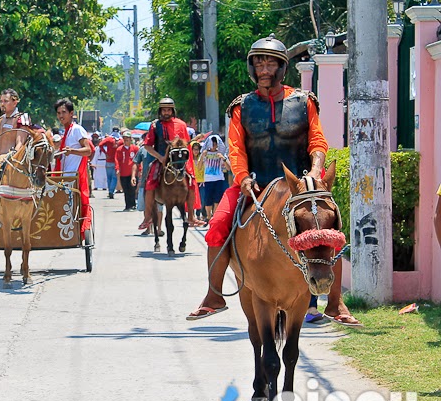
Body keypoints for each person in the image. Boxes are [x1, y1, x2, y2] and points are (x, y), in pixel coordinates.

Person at [187, 34, 358, 326]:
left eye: (270, 63)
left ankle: (335, 302)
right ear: (251, 68)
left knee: (330, 227)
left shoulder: (304, 102)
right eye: (259, 63)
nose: (264, 69)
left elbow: (318, 141)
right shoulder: (242, 107)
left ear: (282, 67)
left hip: (300, 187)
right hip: (255, 184)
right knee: (217, 225)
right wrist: (241, 178)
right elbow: (237, 148)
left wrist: (316, 171)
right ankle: (214, 295)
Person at [141, 97, 204, 230]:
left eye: (168, 110)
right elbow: (147, 146)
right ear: (160, 111)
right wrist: (160, 157)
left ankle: (191, 216)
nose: (166, 112)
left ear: (172, 111)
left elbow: (186, 144)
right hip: (161, 160)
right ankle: (148, 217)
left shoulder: (181, 124)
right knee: (150, 183)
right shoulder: (155, 125)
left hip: (178, 161)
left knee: (191, 181)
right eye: (164, 110)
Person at [55, 98, 93, 236]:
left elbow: (88, 150)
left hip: (75, 178)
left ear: (71, 113)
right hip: (66, 178)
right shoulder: (65, 132)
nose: (61, 116)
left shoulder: (77, 129)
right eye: (58, 113)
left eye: (64, 112)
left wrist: (72, 151)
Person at [199, 134, 230, 221]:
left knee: (217, 199)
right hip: (208, 179)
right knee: (208, 200)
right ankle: (209, 217)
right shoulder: (205, 153)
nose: (213, 146)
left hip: (219, 179)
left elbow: (228, 168)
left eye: (215, 144)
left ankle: (215, 217)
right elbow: (199, 167)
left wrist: (223, 158)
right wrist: (202, 156)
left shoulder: (221, 154)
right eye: (212, 144)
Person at [0, 89, 30, 157]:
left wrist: (9, 160)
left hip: (11, 163)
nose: (2, 104)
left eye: (6, 101)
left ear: (15, 103)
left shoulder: (21, 119)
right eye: (1, 101)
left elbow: (20, 144)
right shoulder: (0, 120)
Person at [115, 131, 139, 211]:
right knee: (126, 190)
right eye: (124, 139)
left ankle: (133, 205)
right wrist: (117, 168)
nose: (126, 141)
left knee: (132, 189)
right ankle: (127, 205)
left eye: (127, 139)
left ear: (130, 139)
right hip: (123, 173)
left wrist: (140, 170)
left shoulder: (135, 148)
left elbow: (138, 160)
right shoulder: (119, 149)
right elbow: (117, 160)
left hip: (133, 173)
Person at [98, 130, 120, 198]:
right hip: (116, 161)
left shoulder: (108, 139)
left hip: (108, 160)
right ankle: (111, 191)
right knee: (114, 177)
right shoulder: (121, 140)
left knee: (109, 177)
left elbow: (100, 145)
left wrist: (105, 153)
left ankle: (110, 190)